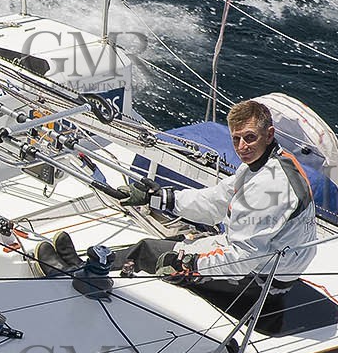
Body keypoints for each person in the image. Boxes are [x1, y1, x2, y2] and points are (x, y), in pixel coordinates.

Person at [118, 99, 317, 287]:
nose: (242, 147)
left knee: (147, 251)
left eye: (249, 137)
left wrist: (190, 264)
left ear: (269, 134)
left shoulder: (269, 186)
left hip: (259, 279)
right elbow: (216, 201)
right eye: (236, 139)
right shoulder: (269, 161)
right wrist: (163, 199)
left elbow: (244, 259)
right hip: (273, 264)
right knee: (172, 246)